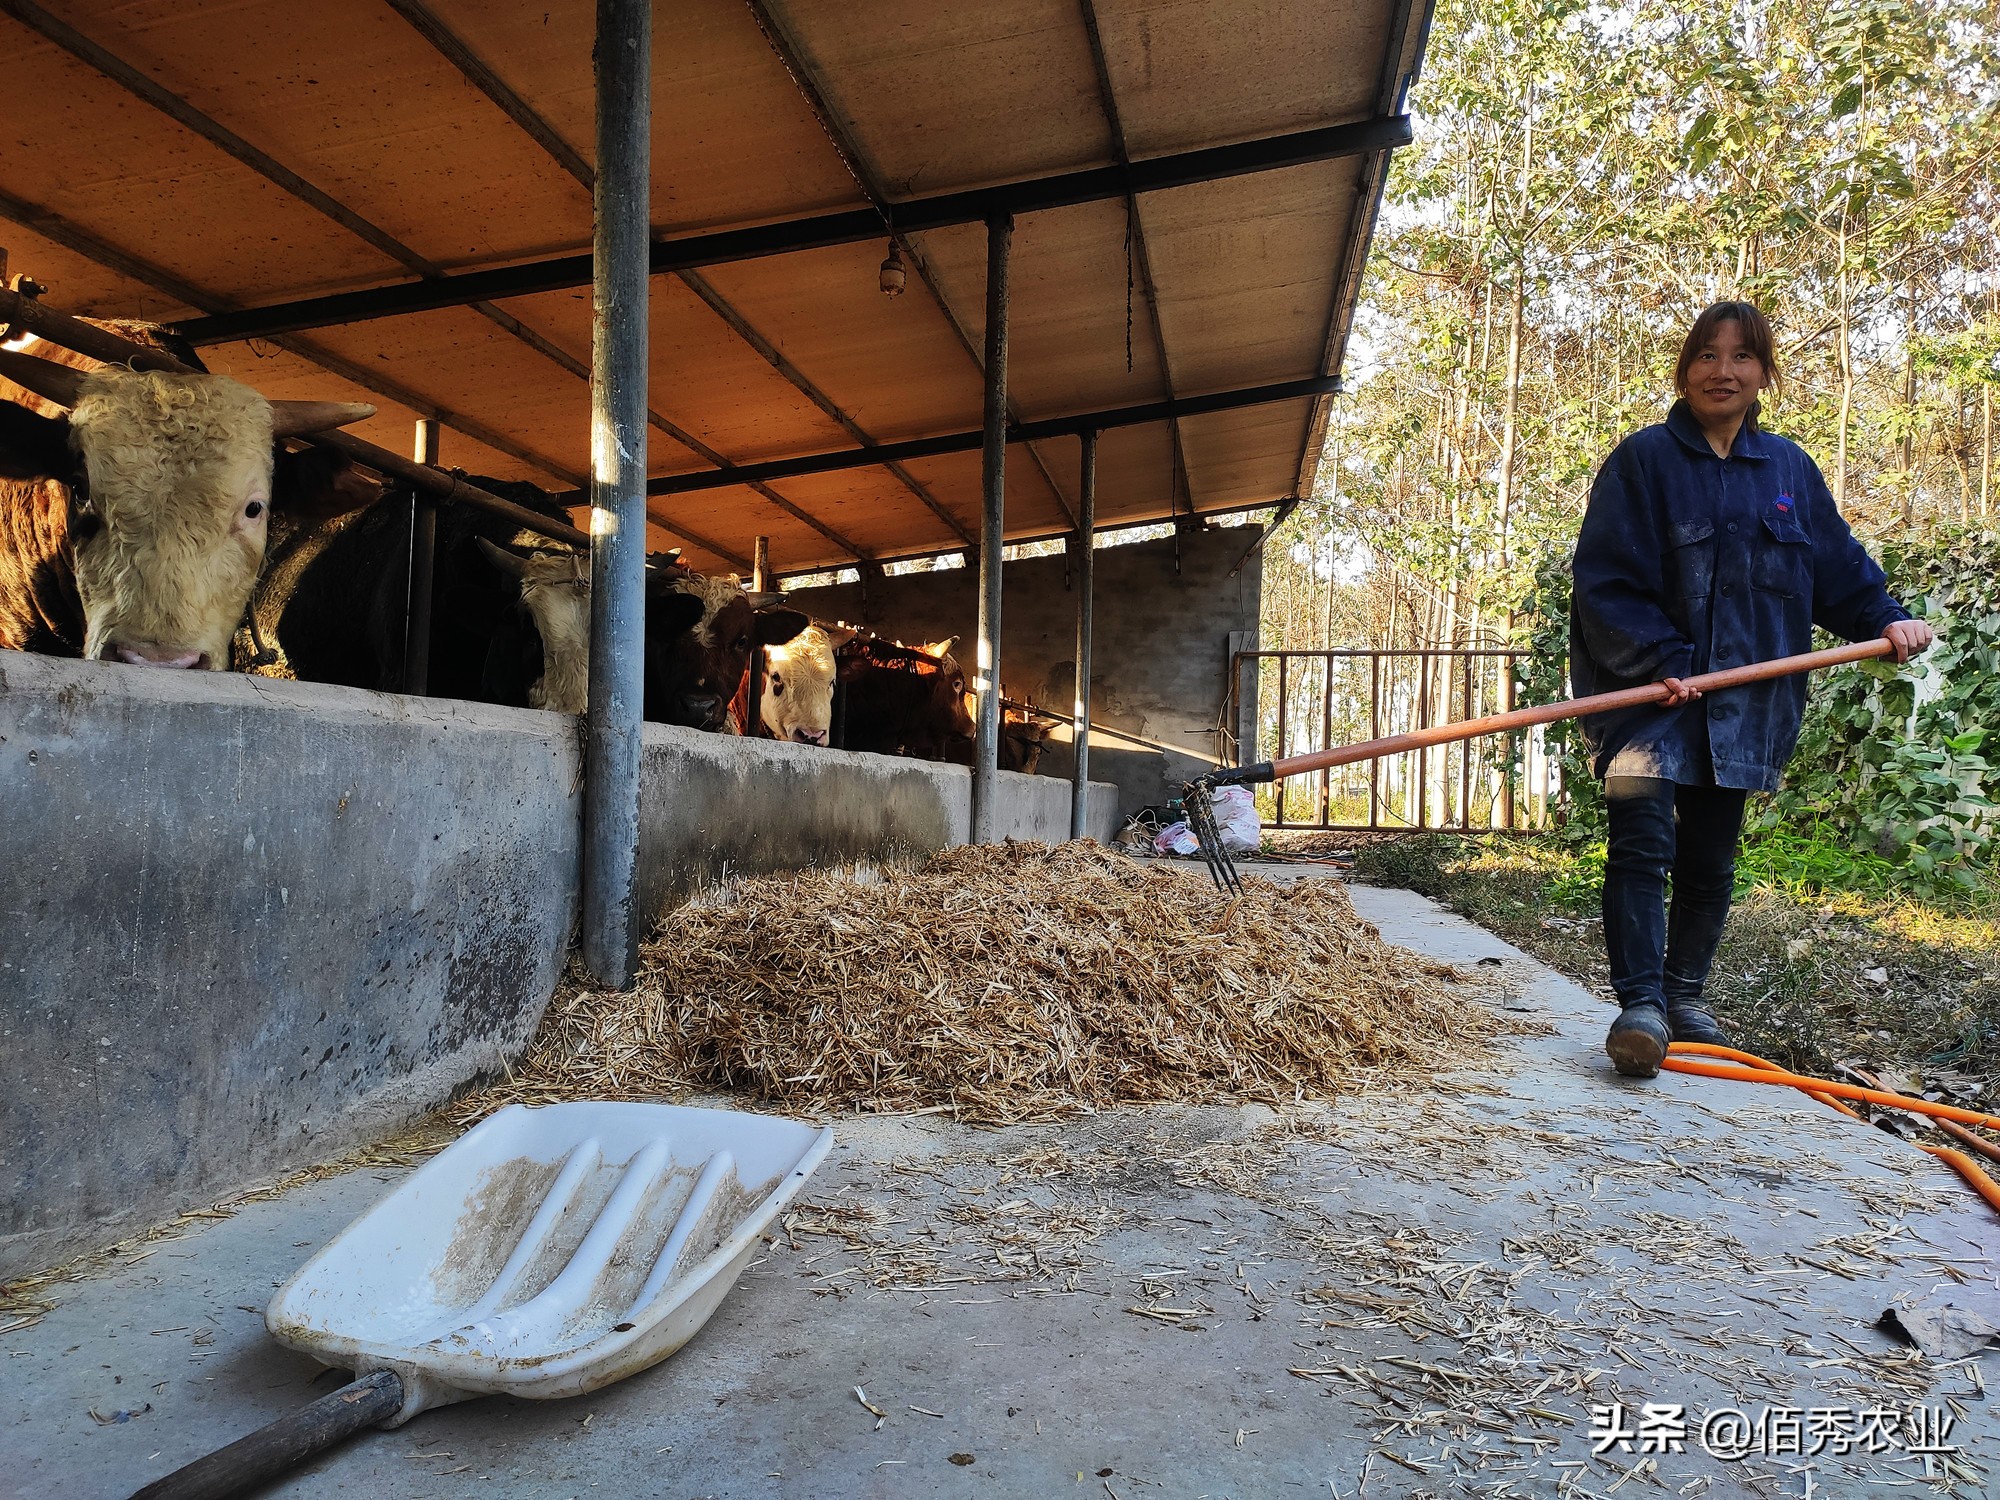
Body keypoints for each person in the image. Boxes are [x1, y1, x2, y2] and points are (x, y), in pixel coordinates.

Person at [1568, 301, 1933, 1079]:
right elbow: (1603, 581)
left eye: (1740, 357)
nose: (1721, 371)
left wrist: (1887, 618)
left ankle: (1686, 1000)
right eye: (1705, 355)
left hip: (1745, 703)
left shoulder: (1790, 472)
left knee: (1711, 855)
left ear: (1764, 373)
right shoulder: (1644, 462)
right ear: (1684, 370)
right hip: (1649, 695)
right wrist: (1662, 659)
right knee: (1642, 842)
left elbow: (1836, 570)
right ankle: (1640, 1006)